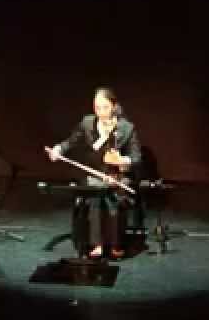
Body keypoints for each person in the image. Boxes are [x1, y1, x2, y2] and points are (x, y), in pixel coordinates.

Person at [45, 87, 141, 259]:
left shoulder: (127, 128)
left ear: (114, 106)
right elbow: (71, 141)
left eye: (105, 107)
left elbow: (136, 157)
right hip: (95, 173)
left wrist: (122, 161)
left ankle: (115, 243)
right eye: (97, 107)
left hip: (118, 175)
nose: (101, 112)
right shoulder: (88, 123)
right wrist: (58, 149)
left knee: (113, 199)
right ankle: (97, 244)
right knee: (96, 196)